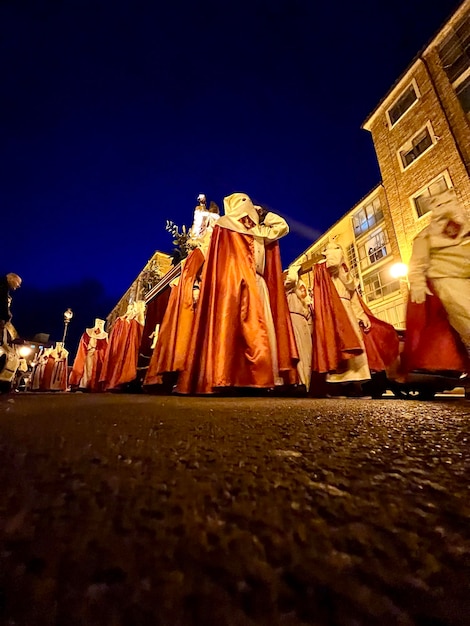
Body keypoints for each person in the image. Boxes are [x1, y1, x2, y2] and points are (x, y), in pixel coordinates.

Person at [175, 192, 298, 394]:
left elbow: (282, 227)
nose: (247, 206)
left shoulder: (259, 230)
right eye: (242, 202)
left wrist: (265, 214)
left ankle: (260, 377)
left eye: (248, 202)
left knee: (260, 329)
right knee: (231, 329)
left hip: (257, 282)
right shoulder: (223, 225)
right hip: (232, 286)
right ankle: (228, 377)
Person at [407, 188, 470, 394]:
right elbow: (417, 263)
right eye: (440, 204)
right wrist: (417, 283)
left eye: (450, 201)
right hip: (448, 282)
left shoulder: (466, 226)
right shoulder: (426, 236)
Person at [0, 273, 22, 339]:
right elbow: (2, 303)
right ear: (12, 279)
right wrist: (7, 316)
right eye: (18, 283)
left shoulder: (4, 287)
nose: (18, 286)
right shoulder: (2, 287)